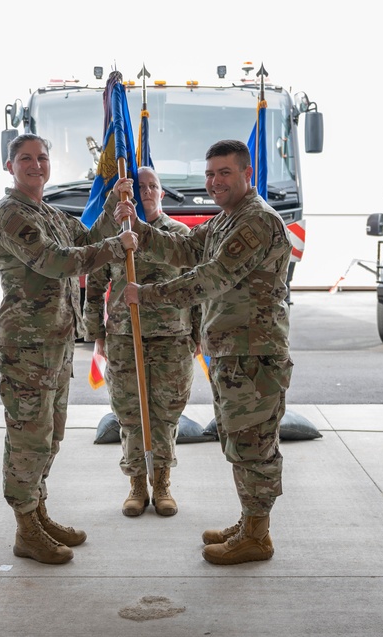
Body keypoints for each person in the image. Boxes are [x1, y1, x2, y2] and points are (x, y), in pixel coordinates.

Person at [115, 139, 293, 566]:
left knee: (254, 444)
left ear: (247, 174)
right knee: (238, 440)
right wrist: (136, 229)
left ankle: (257, 535)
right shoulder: (226, 221)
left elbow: (211, 277)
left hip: (254, 354)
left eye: (224, 173)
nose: (214, 182)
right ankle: (250, 521)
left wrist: (148, 295)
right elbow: (187, 249)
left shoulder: (255, 222)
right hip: (233, 353)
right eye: (210, 174)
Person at [0, 133, 134, 565]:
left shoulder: (49, 212)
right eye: (25, 158)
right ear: (10, 166)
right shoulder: (8, 214)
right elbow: (55, 260)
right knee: (28, 437)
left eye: (42, 158)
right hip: (25, 345)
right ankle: (25, 528)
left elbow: (84, 239)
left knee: (49, 436)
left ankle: (38, 512)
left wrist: (113, 208)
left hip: (55, 343)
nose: (36, 165)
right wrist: (113, 247)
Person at [84, 166, 200, 518]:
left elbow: (197, 290)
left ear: (162, 194)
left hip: (172, 340)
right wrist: (98, 335)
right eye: (140, 187)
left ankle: (162, 483)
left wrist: (197, 335)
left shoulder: (179, 235)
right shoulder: (117, 237)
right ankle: (136, 484)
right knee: (130, 414)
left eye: (153, 187)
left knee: (165, 414)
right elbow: (93, 285)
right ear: (128, 195)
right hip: (124, 338)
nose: (146, 192)